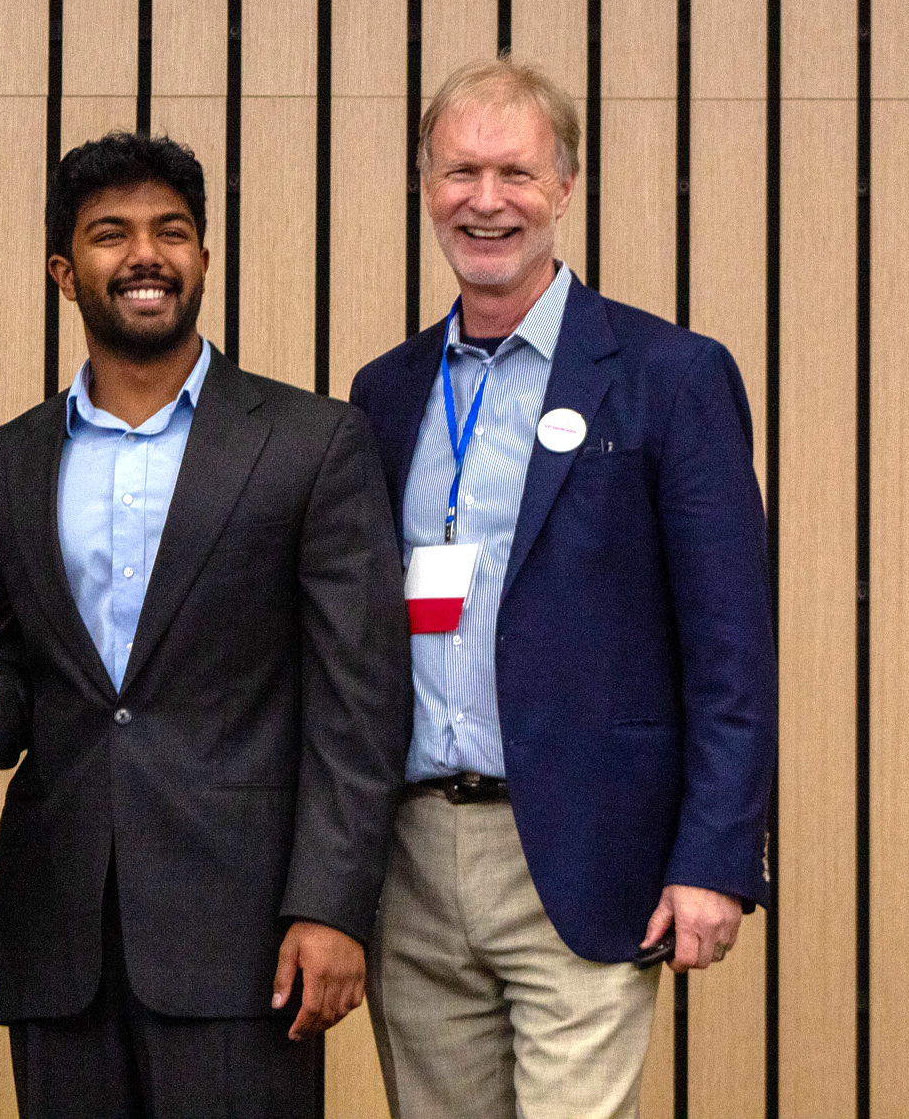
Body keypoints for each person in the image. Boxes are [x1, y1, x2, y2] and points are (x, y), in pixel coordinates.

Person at [349, 56, 777, 1119]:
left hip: (587, 855)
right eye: (458, 172)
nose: (484, 201)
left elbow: (731, 646)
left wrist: (715, 858)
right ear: (422, 186)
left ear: (565, 187)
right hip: (409, 858)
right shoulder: (384, 393)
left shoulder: (667, 377)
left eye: (514, 173)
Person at [0, 131, 412, 1116]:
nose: (143, 256)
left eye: (170, 232)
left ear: (203, 257)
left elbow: (359, 701)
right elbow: (15, 683)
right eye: (108, 235)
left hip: (248, 937)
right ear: (62, 270)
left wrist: (331, 906)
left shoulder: (310, 444)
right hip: (59, 934)